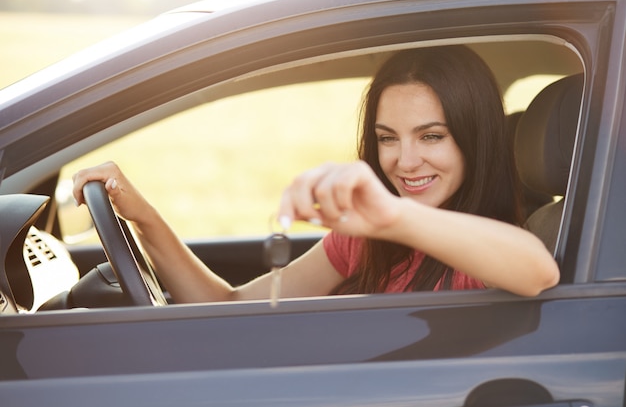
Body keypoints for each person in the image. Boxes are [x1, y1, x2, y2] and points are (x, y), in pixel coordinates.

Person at [72, 45, 560, 303]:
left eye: (432, 136)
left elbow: (538, 271)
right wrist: (145, 217)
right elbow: (230, 304)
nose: (405, 162)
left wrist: (392, 215)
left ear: (475, 140)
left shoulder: (483, 251)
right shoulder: (368, 241)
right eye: (388, 138)